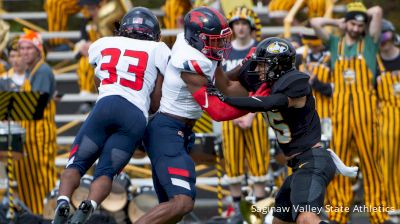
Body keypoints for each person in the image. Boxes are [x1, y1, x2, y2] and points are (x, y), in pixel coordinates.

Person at [52, 7, 170, 224]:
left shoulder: (103, 43)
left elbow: (99, 82)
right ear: (153, 32)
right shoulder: (159, 49)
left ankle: (62, 202)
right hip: (134, 115)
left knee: (75, 165)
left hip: (105, 106)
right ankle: (89, 206)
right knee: (106, 172)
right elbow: (155, 101)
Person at [135, 6, 249, 224]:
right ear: (198, 38)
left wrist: (250, 70)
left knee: (172, 211)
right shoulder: (191, 60)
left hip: (177, 131)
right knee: (182, 202)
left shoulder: (196, 47)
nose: (221, 46)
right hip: (166, 131)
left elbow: (225, 85)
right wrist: (262, 103)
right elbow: (218, 110)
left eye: (222, 40)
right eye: (215, 40)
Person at [208, 37, 337, 224]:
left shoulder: (295, 82)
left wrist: (223, 100)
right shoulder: (268, 84)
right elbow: (227, 83)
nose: (259, 69)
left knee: (306, 218)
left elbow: (270, 102)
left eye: (263, 65)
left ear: (279, 65)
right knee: (279, 221)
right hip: (297, 167)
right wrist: (239, 65)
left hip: (312, 162)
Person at [310, 2, 388, 223]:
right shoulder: (335, 43)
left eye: (360, 25)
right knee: (339, 164)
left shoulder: (370, 43)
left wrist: (359, 16)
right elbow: (315, 22)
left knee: (372, 164)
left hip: (366, 115)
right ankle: (337, 213)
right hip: (341, 115)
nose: (356, 29)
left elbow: (378, 11)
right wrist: (339, 22)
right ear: (347, 24)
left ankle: (379, 214)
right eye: (352, 24)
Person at [221, 6, 270, 223]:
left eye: (244, 23)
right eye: (237, 23)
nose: (240, 27)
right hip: (229, 113)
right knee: (232, 163)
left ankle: (258, 212)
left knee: (259, 163)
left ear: (251, 27)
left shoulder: (260, 50)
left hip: (255, 113)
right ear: (231, 27)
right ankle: (237, 212)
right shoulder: (224, 51)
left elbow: (265, 84)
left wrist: (250, 113)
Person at [10, 29, 57, 215]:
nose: (24, 52)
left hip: (40, 139)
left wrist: (7, 104)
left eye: (28, 48)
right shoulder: (31, 72)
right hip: (29, 139)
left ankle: (45, 217)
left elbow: (35, 105)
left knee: (42, 182)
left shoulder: (43, 70)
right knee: (28, 184)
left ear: (38, 49)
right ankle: (34, 216)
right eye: (21, 48)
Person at [376, 19, 400, 221]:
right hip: (387, 120)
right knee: (388, 162)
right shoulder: (374, 62)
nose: (383, 40)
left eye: (386, 35)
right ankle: (392, 204)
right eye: (379, 37)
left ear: (392, 34)